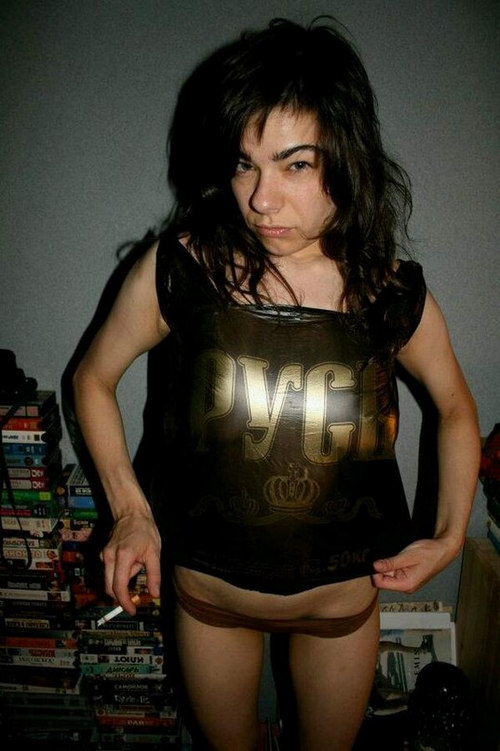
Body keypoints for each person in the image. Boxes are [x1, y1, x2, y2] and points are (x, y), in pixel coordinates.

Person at [72, 17, 481, 751]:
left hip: (339, 612)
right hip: (210, 602)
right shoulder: (183, 269)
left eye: (296, 165)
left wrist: (450, 534)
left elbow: (454, 407)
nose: (261, 199)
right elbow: (93, 378)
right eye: (245, 164)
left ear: (347, 160)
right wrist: (131, 511)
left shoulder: (389, 293)